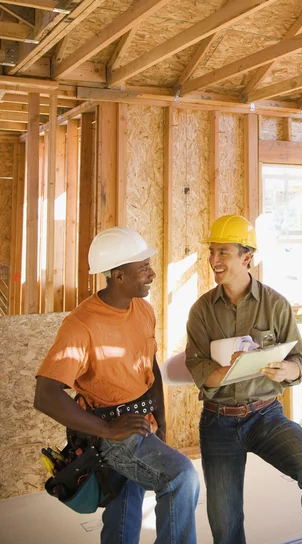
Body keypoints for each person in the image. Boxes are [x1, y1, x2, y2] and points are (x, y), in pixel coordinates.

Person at [185, 214, 302, 544]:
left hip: (266, 415)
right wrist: (227, 371)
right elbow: (196, 365)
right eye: (211, 252)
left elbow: (300, 360)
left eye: (222, 253)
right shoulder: (202, 310)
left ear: (247, 258)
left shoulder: (275, 305)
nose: (214, 261)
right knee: (225, 523)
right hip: (218, 422)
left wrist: (290, 370)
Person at [34, 226, 200, 544]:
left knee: (124, 507)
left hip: (140, 423)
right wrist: (108, 430)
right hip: (110, 432)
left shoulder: (143, 309)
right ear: (118, 276)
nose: (152, 273)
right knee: (182, 477)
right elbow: (46, 395)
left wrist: (160, 423)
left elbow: (148, 367)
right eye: (143, 268)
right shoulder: (81, 325)